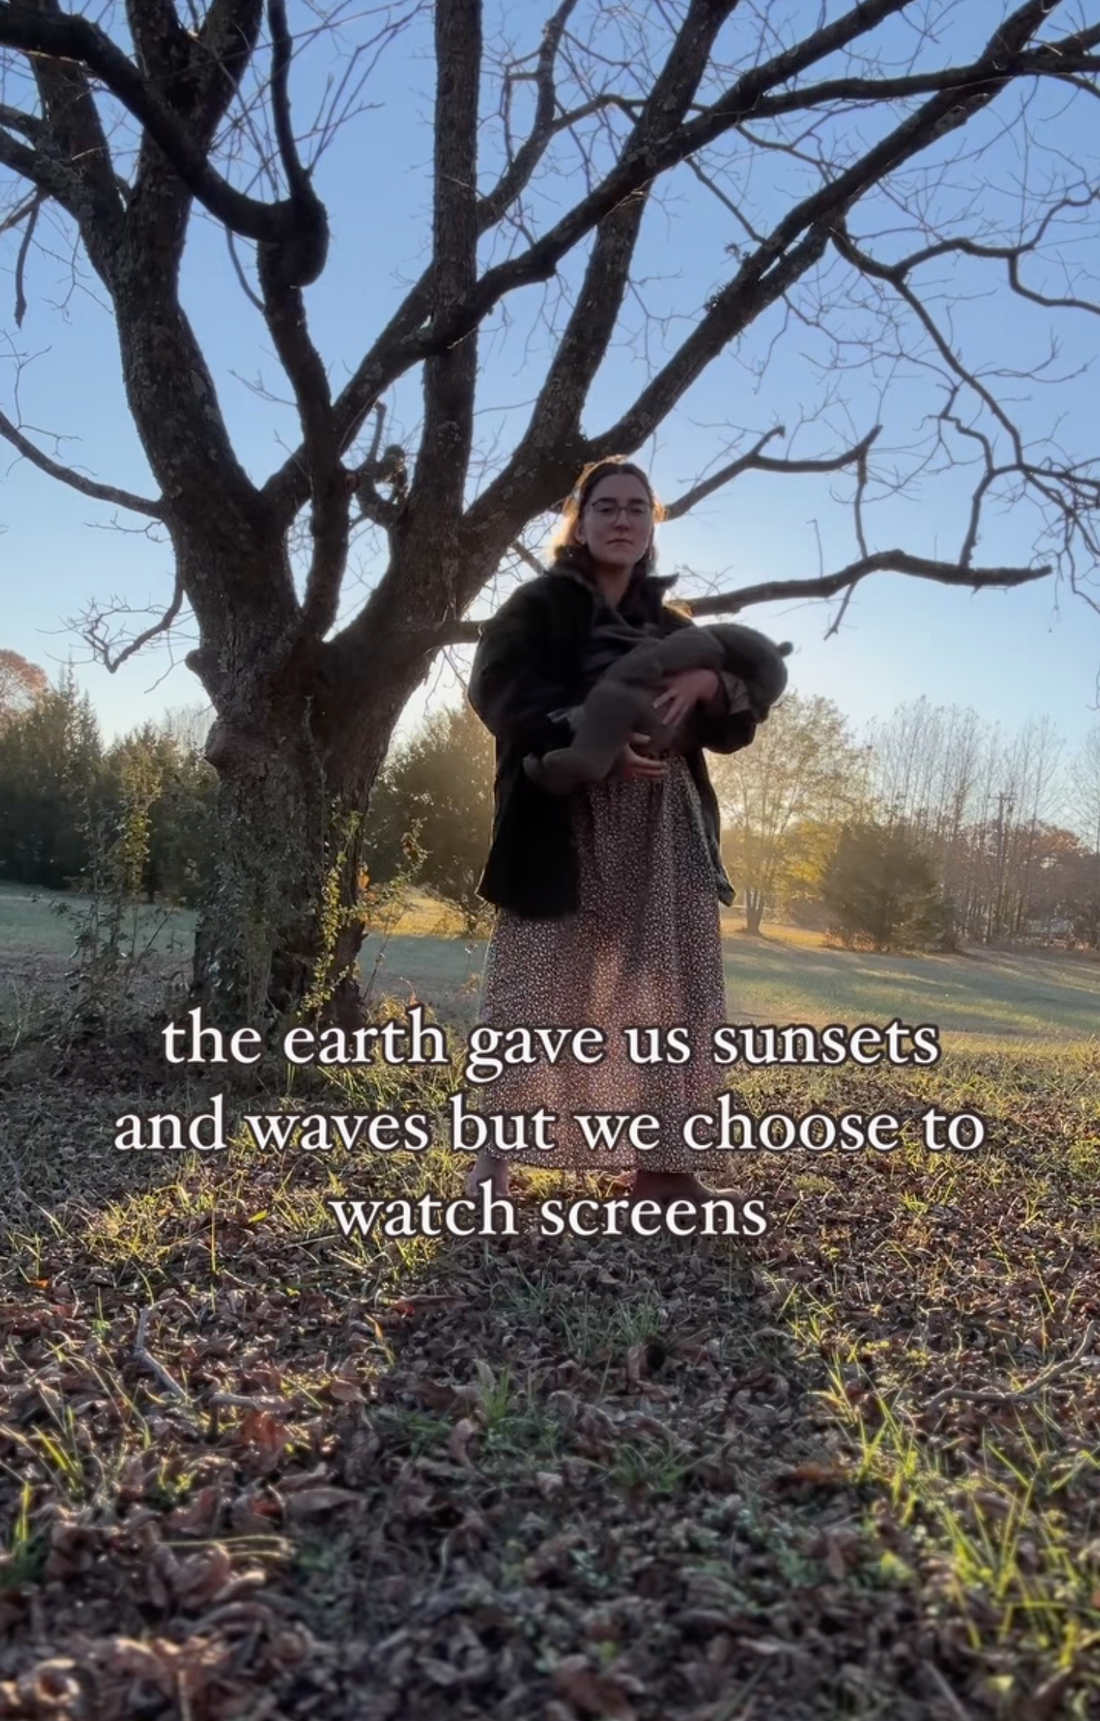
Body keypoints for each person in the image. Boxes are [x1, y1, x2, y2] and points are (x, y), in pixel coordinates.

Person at [464, 456, 777, 1211]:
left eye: (637, 508)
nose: (622, 519)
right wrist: (589, 742)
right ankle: (493, 1164)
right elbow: (499, 692)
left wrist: (711, 684)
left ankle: (664, 1167)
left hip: (662, 824)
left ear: (650, 526)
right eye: (606, 506)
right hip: (561, 819)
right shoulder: (536, 606)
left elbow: (735, 717)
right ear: (580, 518)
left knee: (672, 991)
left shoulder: (673, 626)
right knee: (533, 984)